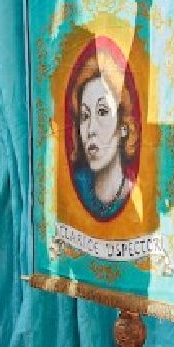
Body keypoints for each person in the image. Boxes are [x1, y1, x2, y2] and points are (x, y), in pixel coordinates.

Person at [68, 43, 140, 221]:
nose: (91, 130)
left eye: (102, 112)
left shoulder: (137, 196)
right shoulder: (74, 188)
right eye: (85, 116)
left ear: (123, 127)